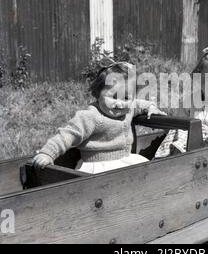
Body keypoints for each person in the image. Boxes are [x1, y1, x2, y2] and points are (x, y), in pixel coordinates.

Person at [33, 62, 166, 173]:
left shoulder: (128, 108)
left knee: (146, 174)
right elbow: (66, 136)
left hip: (125, 160)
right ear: (97, 93)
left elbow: (139, 104)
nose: (119, 103)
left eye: (126, 98)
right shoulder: (91, 116)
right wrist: (47, 153)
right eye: (113, 97)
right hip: (98, 166)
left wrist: (151, 107)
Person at [155, 41, 208, 157]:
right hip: (187, 149)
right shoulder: (189, 100)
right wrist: (169, 126)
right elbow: (179, 124)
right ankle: (164, 161)